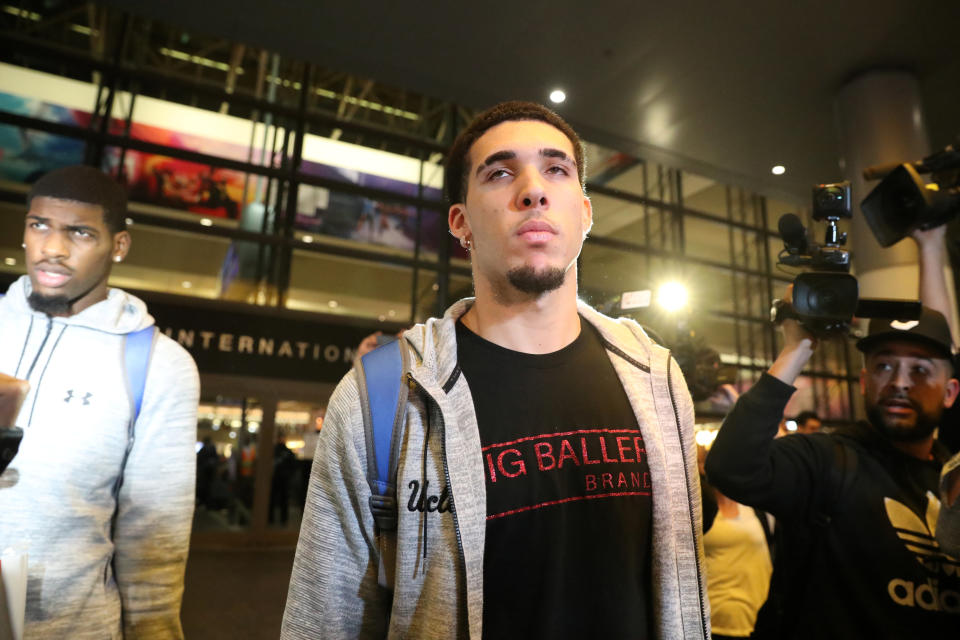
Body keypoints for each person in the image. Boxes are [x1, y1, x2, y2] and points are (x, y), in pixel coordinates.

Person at [282, 101, 707, 639]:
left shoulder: (656, 376)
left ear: (585, 211)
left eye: (556, 169)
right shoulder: (386, 396)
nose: (533, 190)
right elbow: (323, 619)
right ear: (461, 223)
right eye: (500, 173)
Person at [0, 165, 200, 638]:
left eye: (80, 232)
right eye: (39, 225)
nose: (53, 248)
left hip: (74, 627)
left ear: (119, 245)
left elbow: (154, 541)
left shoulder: (158, 365)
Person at [706, 296, 960, 638]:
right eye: (884, 366)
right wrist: (798, 348)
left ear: (950, 392)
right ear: (863, 382)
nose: (900, 382)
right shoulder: (827, 459)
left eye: (920, 369)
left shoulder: (952, 479)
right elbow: (732, 467)